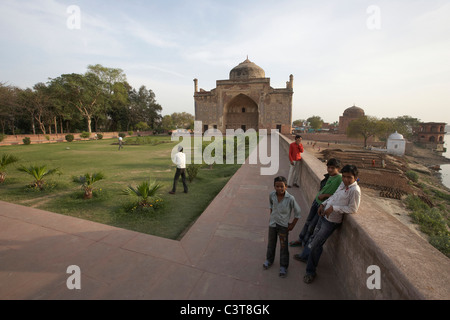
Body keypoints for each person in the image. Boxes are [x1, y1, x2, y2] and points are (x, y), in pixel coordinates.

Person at [297, 164, 361, 284]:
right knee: (314, 239)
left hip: (331, 221)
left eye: (349, 177)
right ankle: (305, 257)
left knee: (316, 244)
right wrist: (323, 204)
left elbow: (353, 209)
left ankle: (310, 271)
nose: (346, 180)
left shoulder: (355, 190)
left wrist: (334, 208)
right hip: (324, 215)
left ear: (355, 177)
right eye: (344, 176)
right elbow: (334, 197)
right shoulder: (343, 184)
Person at [290, 158, 342, 248]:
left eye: (332, 168)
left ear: (338, 169)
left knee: (312, 226)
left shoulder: (340, 179)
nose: (329, 170)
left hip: (323, 205)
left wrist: (325, 195)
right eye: (328, 167)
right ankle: (300, 239)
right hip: (317, 201)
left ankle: (305, 243)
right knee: (308, 222)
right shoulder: (330, 176)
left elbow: (338, 195)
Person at [263, 176, 301, 278]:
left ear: (286, 186)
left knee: (283, 247)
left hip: (283, 226)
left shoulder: (290, 199)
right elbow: (271, 206)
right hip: (273, 225)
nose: (279, 188)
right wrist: (271, 217)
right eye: (277, 186)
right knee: (271, 244)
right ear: (274, 186)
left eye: (281, 186)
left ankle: (283, 266)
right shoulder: (272, 195)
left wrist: (292, 224)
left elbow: (298, 212)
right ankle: (269, 260)